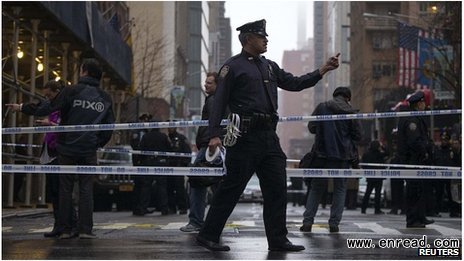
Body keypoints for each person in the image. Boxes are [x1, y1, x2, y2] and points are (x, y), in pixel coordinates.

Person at [196, 19, 340, 252]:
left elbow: (294, 83)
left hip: (269, 137)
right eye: (261, 37)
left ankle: (278, 239)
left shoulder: (270, 66)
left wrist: (323, 69)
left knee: (277, 188)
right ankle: (208, 234)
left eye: (266, 36)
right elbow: (219, 102)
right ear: (247, 39)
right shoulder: (232, 67)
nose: (266, 40)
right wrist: (214, 135)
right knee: (232, 188)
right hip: (244, 137)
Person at [7, 58, 115, 239]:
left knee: (65, 188)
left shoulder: (71, 91)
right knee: (86, 189)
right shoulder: (105, 98)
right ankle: (85, 230)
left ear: (84, 71)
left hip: (67, 147)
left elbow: (49, 106)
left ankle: (65, 228)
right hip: (88, 149)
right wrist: (97, 143)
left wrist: (22, 107)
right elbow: (109, 126)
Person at [300, 87, 362, 233]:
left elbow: (311, 127)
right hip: (343, 157)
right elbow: (358, 135)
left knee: (316, 189)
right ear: (348, 98)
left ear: (334, 96)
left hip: (321, 156)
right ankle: (334, 224)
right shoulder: (350, 112)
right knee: (340, 189)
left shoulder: (322, 107)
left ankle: (307, 222)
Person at [180, 72, 224, 232]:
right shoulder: (217, 99)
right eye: (206, 82)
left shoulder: (214, 100)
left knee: (197, 182)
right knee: (218, 186)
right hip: (215, 147)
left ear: (218, 85)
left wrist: (213, 139)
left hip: (210, 147)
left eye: (210, 83)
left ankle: (196, 222)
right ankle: (215, 222)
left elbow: (214, 120)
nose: (206, 85)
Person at [397, 91, 434, 228]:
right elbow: (414, 141)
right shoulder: (411, 119)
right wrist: (424, 151)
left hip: (415, 160)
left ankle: (420, 216)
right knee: (414, 189)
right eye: (423, 102)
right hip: (411, 160)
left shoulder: (414, 117)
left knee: (419, 189)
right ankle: (413, 220)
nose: (425, 105)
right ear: (419, 104)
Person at [136, 122, 172, 216]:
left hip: (148, 163)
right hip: (161, 163)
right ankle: (164, 208)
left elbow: (141, 149)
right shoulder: (163, 136)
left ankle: (143, 208)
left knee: (146, 186)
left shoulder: (146, 136)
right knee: (162, 186)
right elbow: (169, 148)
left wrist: (140, 161)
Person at [131, 112, 157, 216]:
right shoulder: (137, 132)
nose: (146, 122)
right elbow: (134, 145)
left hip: (146, 161)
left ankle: (143, 207)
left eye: (147, 120)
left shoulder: (148, 133)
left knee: (145, 185)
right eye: (144, 120)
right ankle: (138, 207)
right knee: (140, 185)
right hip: (139, 161)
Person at [167, 126, 191, 214]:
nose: (170, 129)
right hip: (168, 167)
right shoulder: (166, 138)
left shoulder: (181, 138)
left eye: (171, 127)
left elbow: (187, 152)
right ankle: (171, 208)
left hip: (178, 167)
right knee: (169, 188)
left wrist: (184, 164)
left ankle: (183, 207)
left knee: (180, 188)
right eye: (168, 127)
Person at [360, 140, 387, 215]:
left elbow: (363, 165)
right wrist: (383, 146)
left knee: (368, 192)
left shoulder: (366, 154)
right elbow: (387, 153)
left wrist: (367, 172)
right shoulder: (379, 154)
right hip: (378, 176)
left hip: (370, 176)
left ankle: (363, 208)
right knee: (377, 194)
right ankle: (377, 209)